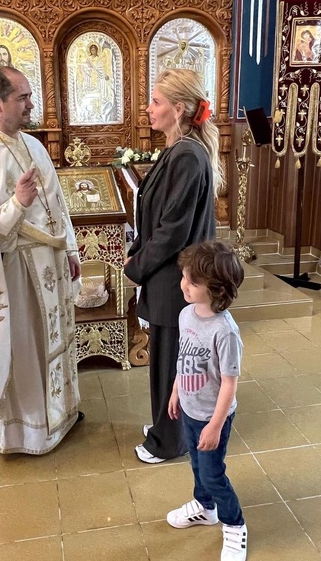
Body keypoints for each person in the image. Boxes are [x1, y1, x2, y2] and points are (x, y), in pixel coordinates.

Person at [0, 66, 82, 454]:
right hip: (17, 274)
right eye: (22, 97)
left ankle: (61, 414)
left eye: (29, 96)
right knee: (27, 350)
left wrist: (70, 249)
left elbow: (58, 203)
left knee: (52, 343)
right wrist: (17, 203)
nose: (30, 104)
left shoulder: (33, 145)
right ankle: (28, 431)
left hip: (50, 266)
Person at [124, 68, 222, 463]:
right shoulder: (178, 149)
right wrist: (138, 249)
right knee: (169, 357)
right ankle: (165, 427)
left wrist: (136, 265)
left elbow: (172, 231)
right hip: (169, 274)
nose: (148, 109)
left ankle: (168, 442)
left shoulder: (187, 155)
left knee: (171, 363)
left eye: (156, 102)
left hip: (176, 278)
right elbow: (158, 217)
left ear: (178, 109)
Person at [167, 240, 246, 561]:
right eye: (184, 277)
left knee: (213, 474)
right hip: (190, 409)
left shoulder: (225, 332)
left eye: (192, 282)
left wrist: (215, 426)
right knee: (197, 466)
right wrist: (176, 391)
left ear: (215, 289)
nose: (183, 285)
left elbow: (229, 383)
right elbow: (183, 358)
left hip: (213, 417)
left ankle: (235, 524)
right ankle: (205, 507)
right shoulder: (186, 315)